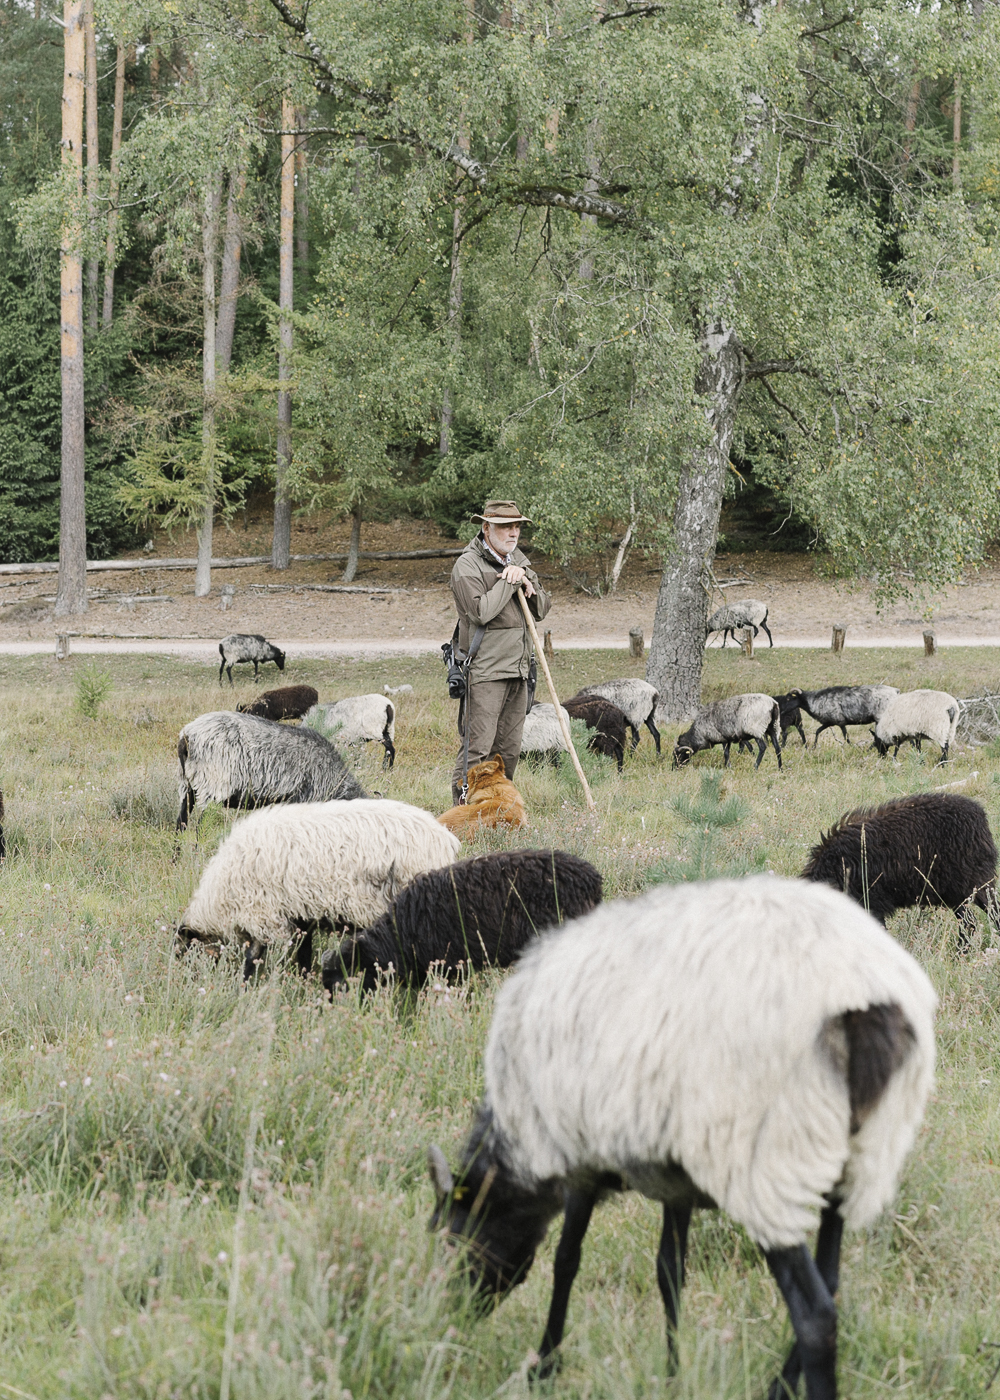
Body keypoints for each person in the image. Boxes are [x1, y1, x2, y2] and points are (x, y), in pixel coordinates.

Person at [449, 500, 551, 804]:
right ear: (486, 528)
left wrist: (527, 579)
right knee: (477, 748)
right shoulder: (467, 566)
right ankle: (462, 812)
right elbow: (481, 612)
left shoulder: (519, 560)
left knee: (508, 750)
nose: (513, 533)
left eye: (517, 526)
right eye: (506, 526)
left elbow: (542, 609)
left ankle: (496, 808)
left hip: (520, 671)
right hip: (486, 671)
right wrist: (510, 581)